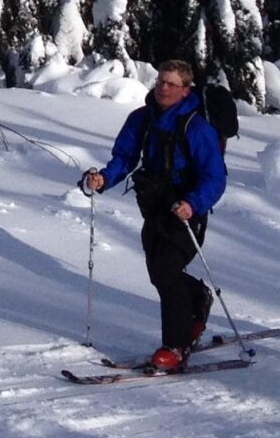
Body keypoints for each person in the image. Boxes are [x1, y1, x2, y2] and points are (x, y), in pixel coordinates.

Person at [80, 58, 228, 370]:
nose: (163, 88)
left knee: (166, 271)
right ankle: (198, 298)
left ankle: (175, 347)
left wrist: (193, 203)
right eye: (161, 81)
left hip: (187, 214)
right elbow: (124, 157)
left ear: (186, 91)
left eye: (172, 84)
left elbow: (215, 176)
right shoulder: (141, 119)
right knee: (159, 274)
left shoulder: (197, 128)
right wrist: (103, 179)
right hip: (154, 207)